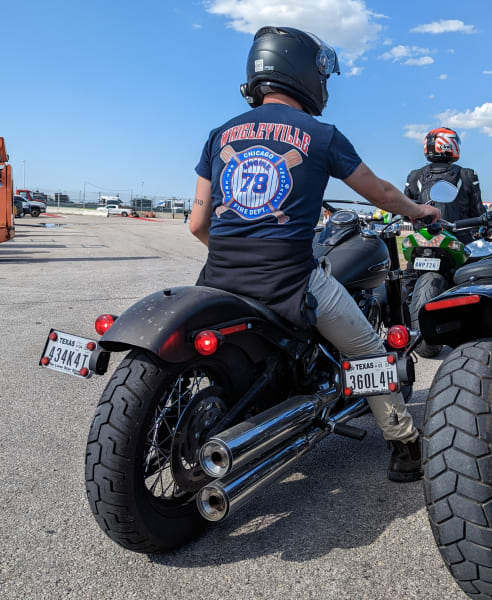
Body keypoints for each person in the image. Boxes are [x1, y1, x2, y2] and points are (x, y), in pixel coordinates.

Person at [189, 26, 440, 482]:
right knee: (367, 349)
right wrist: (420, 210)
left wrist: (238, 252)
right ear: (305, 74)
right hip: (290, 279)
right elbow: (381, 193)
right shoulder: (321, 135)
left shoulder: (218, 136)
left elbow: (197, 225)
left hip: (217, 278)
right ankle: (404, 444)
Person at [404, 127, 484, 244]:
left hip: (423, 238)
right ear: (449, 144)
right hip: (458, 240)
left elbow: (405, 213)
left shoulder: (414, 175)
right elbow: (478, 211)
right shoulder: (467, 174)